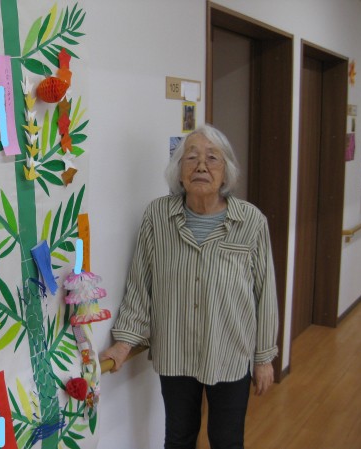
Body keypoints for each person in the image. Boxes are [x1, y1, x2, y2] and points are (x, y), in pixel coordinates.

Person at [100, 124, 279, 449]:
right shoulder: (157, 217)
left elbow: (264, 294)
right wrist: (124, 342)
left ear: (226, 172)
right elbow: (140, 283)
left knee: (226, 440)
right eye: (191, 158)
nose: (201, 166)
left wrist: (263, 358)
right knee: (178, 438)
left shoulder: (251, 222)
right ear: (179, 171)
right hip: (176, 351)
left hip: (229, 351)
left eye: (212, 158)